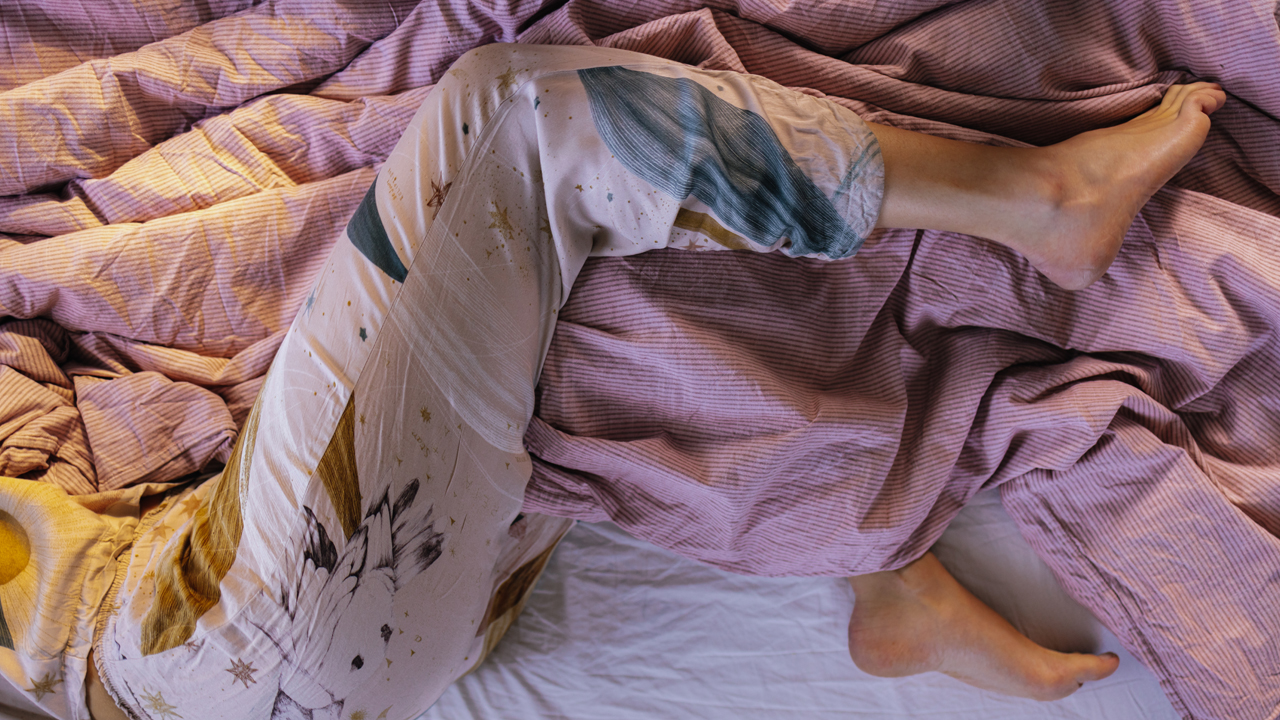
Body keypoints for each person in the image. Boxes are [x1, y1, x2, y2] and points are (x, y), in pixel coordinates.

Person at [0, 43, 1222, 720]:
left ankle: (885, 580)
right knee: (516, 122)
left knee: (582, 324)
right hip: (223, 639)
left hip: (305, 638)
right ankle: (1041, 204)